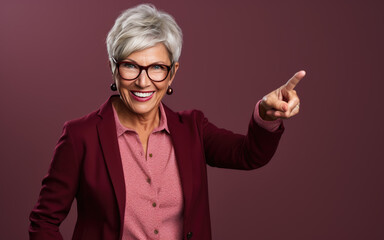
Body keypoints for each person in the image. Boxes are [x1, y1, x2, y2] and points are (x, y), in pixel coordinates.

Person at [29, 4, 304, 240]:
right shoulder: (80, 136)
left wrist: (266, 115)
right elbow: (44, 222)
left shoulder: (192, 128)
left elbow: (249, 155)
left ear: (172, 73)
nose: (143, 81)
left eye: (157, 68)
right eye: (130, 65)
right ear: (113, 68)